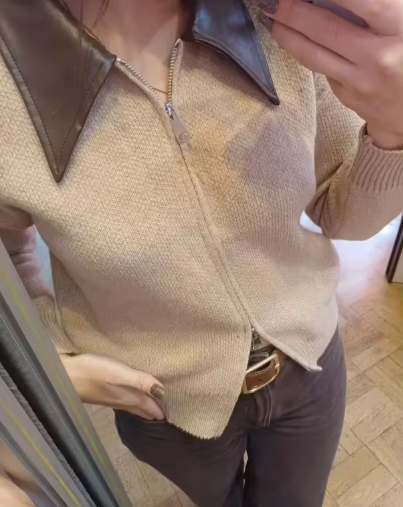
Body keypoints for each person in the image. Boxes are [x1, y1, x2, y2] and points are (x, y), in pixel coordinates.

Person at [1, 0, 403, 505]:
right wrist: (52, 356)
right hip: (167, 411)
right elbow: (10, 259)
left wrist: (394, 132)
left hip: (311, 365)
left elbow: (346, 216)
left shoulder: (288, 19)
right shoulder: (9, 89)